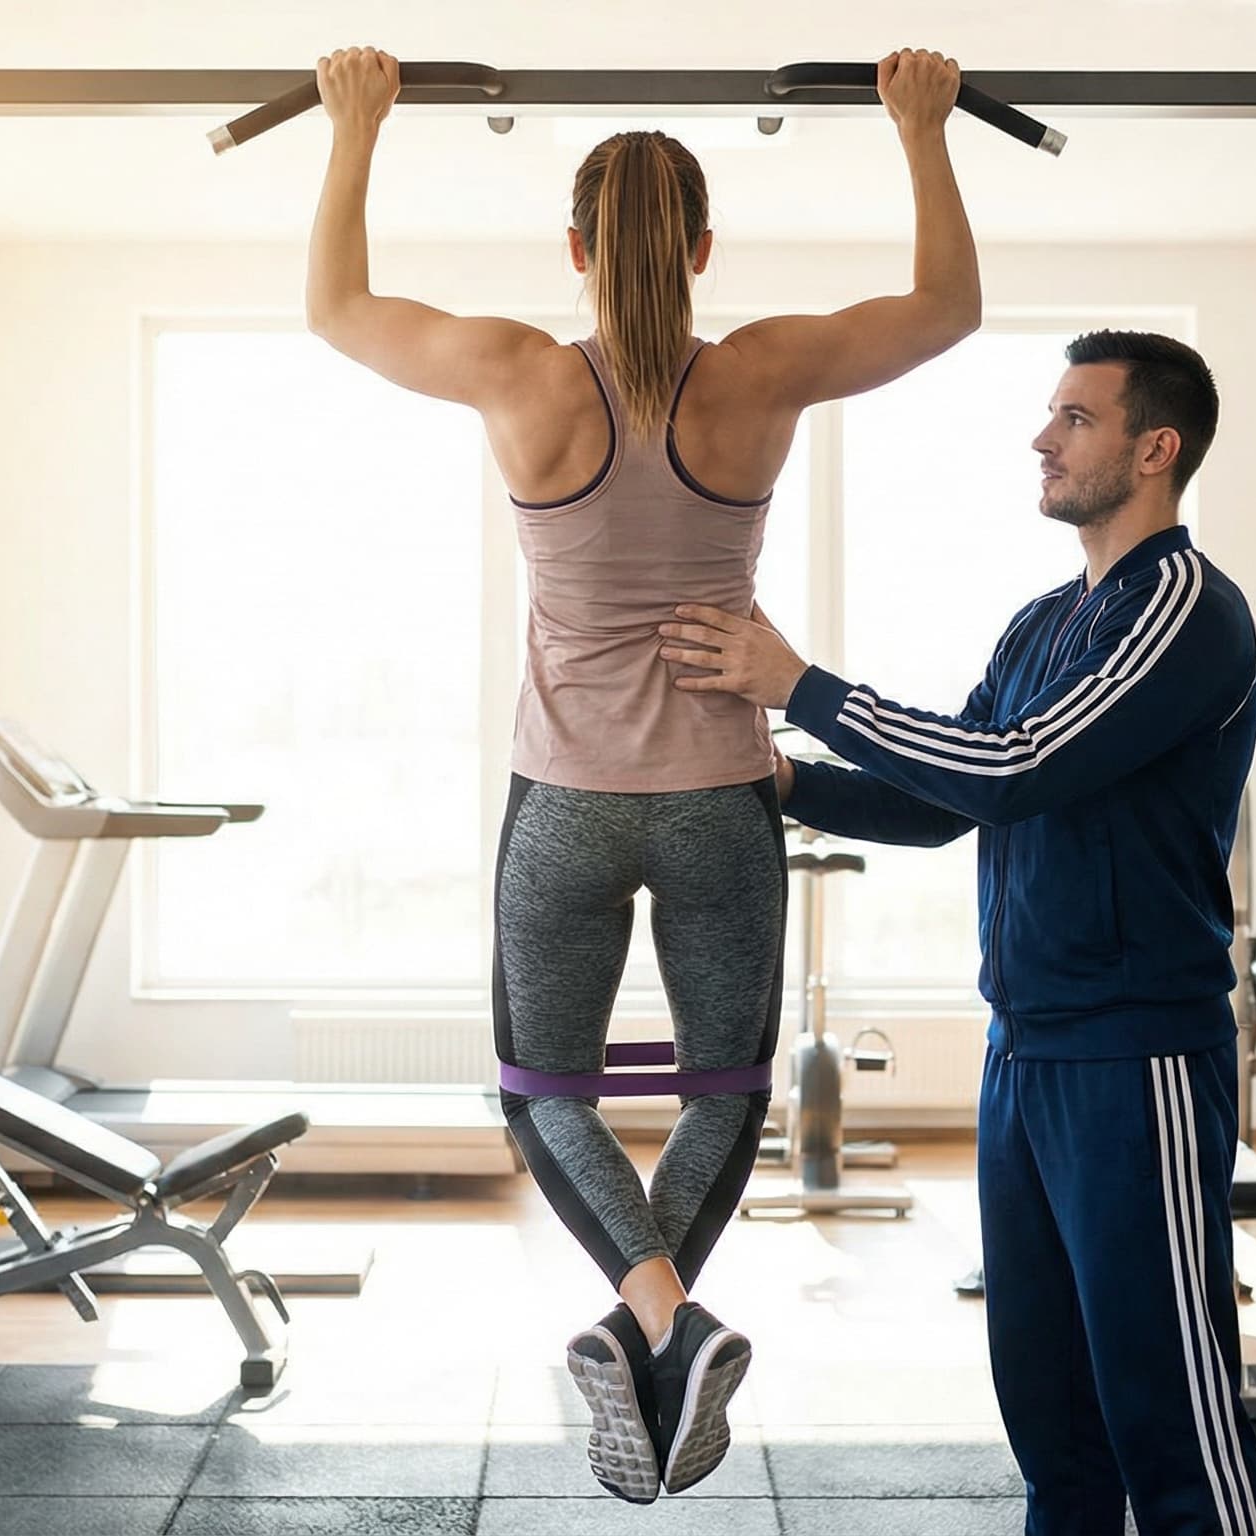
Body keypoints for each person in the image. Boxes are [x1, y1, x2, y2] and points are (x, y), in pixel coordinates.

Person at [303, 44, 981, 1503]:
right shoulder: (761, 375)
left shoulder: (522, 374)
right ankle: (657, 1325)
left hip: (565, 802)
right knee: (724, 1089)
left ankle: (659, 1315)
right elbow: (946, 309)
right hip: (723, 795)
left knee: (543, 1089)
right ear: (706, 245)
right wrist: (919, 130)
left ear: (574, 246)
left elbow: (338, 309)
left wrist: (356, 128)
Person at [659, 330, 1256, 1536]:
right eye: (1048, 414)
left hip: (1133, 1053)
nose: (1041, 439)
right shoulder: (1045, 620)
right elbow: (942, 801)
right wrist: (778, 779)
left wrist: (803, 686)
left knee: (1168, 1411)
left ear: (1156, 449)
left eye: (1075, 419)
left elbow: (1013, 766)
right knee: (1050, 1413)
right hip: (1027, 1052)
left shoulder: (1185, 609)